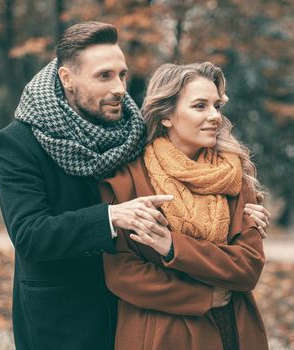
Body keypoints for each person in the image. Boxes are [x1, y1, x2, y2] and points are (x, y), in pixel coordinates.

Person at [0, 21, 270, 350]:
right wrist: (110, 217)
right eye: (104, 76)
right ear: (67, 79)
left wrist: (248, 217)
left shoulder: (132, 133)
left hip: (137, 318)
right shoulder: (20, 142)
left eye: (122, 74)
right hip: (65, 314)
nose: (120, 88)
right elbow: (29, 234)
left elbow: (186, 174)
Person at [101, 62, 268, 350]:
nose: (215, 116)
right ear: (166, 115)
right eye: (200, 106)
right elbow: (122, 273)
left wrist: (173, 248)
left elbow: (248, 267)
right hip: (160, 334)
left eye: (217, 105)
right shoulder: (128, 178)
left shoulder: (235, 177)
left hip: (232, 329)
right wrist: (202, 296)